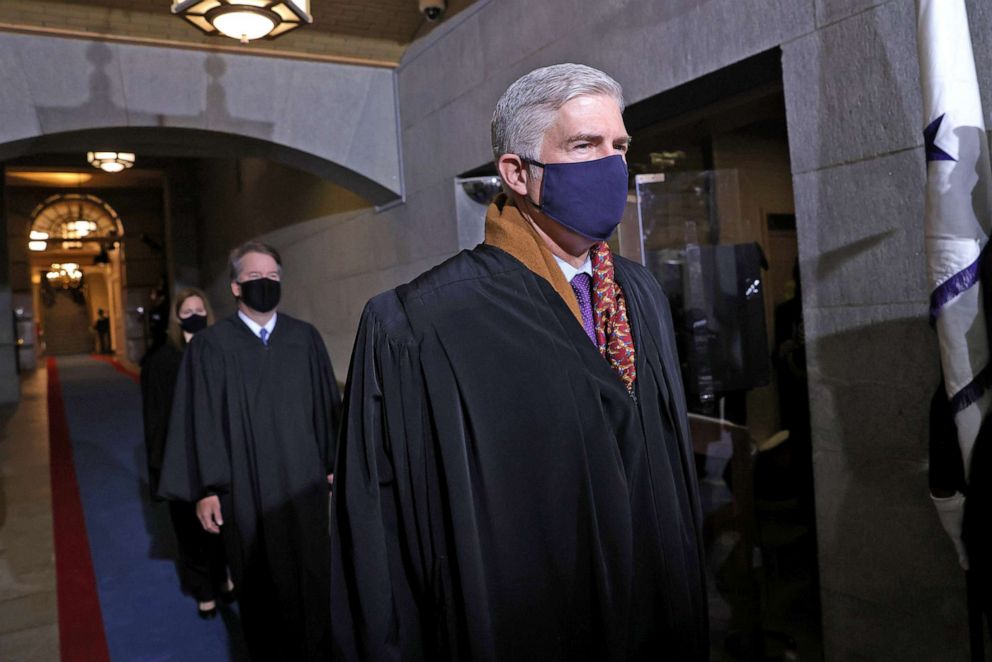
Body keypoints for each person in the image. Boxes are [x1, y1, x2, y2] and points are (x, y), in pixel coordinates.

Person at [330, 64, 708, 661]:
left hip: (654, 618)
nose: (612, 165)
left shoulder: (640, 293)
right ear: (517, 173)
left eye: (619, 146)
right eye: (584, 145)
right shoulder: (419, 324)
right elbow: (384, 535)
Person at [158, 241, 342, 661]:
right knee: (259, 579)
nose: (266, 284)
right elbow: (198, 418)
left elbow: (326, 405)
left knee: (314, 572)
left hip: (304, 483)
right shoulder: (210, 347)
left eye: (273, 278)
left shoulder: (305, 338)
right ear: (236, 287)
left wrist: (332, 465)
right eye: (255, 278)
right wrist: (206, 488)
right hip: (244, 487)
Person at [141, 287, 232, 619]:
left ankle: (224, 575)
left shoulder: (221, 350)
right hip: (182, 459)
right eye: (187, 310)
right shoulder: (163, 362)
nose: (194, 315)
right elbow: (156, 420)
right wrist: (161, 468)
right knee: (191, 529)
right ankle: (203, 589)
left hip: (220, 456)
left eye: (199, 308)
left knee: (223, 524)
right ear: (176, 319)